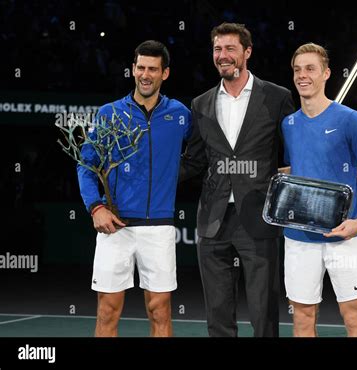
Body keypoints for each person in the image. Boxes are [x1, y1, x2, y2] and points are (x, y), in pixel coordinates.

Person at [180, 22, 294, 337]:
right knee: (217, 315)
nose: (223, 55)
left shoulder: (276, 97)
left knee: (264, 313)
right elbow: (194, 161)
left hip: (259, 217)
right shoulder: (201, 103)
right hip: (213, 220)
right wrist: (146, 174)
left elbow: (295, 155)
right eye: (218, 49)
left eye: (230, 48)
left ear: (247, 52)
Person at [77, 40, 192, 337]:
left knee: (160, 313)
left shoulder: (180, 115)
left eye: (153, 69)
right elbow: (86, 165)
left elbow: (201, 157)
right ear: (132, 69)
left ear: (164, 74)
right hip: (115, 227)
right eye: (140, 67)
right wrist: (96, 207)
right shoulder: (109, 113)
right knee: (106, 313)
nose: (145, 74)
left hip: (159, 228)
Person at [281, 43, 357, 337]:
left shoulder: (351, 120)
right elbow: (299, 170)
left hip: (346, 235)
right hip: (299, 238)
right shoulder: (288, 124)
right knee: (302, 317)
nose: (303, 75)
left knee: (353, 316)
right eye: (297, 70)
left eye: (310, 69)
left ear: (326, 73)